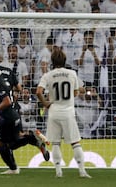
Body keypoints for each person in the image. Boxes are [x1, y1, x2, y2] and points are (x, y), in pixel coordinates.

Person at [0, 63, 49, 174]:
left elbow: (7, 101)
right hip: (14, 115)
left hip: (6, 118)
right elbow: (17, 91)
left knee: (1, 145)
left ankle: (13, 168)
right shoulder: (1, 83)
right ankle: (32, 138)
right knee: (12, 143)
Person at [36, 49, 91, 178]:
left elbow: (38, 92)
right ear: (65, 61)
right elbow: (77, 93)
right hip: (68, 112)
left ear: (52, 61)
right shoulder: (72, 73)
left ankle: (58, 171)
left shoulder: (48, 75)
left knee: (55, 142)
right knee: (75, 142)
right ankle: (82, 171)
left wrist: (45, 103)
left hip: (54, 111)